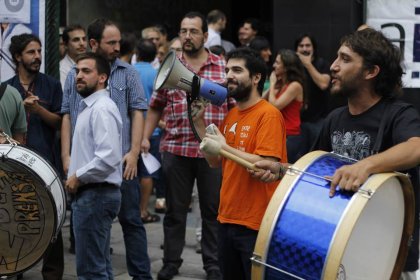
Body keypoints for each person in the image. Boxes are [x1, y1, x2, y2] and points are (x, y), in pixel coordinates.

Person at [252, 28, 420, 279]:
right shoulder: (335, 118)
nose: (333, 66)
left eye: (345, 59)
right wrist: (280, 170)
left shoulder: (398, 114)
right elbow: (312, 172)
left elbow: (416, 147)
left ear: (371, 72)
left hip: (387, 252)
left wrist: (365, 166)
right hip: (338, 243)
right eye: (336, 58)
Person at [141, 11, 234, 280]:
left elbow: (233, 107)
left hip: (213, 153)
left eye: (193, 31)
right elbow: (156, 106)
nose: (187, 36)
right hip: (176, 148)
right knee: (174, 211)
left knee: (212, 211)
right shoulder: (172, 66)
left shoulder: (221, 66)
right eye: (183, 31)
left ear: (205, 36)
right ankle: (171, 262)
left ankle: (213, 264)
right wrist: (146, 137)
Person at [61, 18, 152, 279]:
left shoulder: (127, 76)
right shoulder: (78, 81)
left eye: (118, 42)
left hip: (113, 169)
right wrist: (68, 157)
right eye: (110, 42)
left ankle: (142, 275)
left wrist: (133, 153)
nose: (117, 47)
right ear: (94, 43)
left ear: (101, 78)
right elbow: (67, 113)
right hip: (90, 171)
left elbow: (137, 113)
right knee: (97, 258)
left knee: (130, 224)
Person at [193, 47, 287, 280]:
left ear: (256, 78)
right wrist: (198, 122)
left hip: (255, 223)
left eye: (237, 70)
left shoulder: (269, 114)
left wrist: (223, 146)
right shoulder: (231, 114)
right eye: (226, 70)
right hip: (226, 218)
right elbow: (215, 161)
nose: (228, 76)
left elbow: (266, 163)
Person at [6, 33, 64, 280]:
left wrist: (38, 109)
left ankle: (52, 274)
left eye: (39, 51)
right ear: (18, 56)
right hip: (14, 165)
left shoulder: (51, 85)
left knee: (52, 219)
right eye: (31, 52)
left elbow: (60, 122)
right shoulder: (7, 88)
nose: (37, 56)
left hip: (45, 162)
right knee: (14, 215)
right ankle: (15, 267)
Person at [66, 51, 122, 279]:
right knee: (100, 268)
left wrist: (78, 175)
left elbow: (108, 156)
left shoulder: (101, 108)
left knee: (92, 272)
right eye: (77, 71)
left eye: (86, 71)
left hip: (95, 195)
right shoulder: (90, 106)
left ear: (102, 78)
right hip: (94, 195)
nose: (79, 75)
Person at [133, 38, 161, 223]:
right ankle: (142, 211)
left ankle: (130, 210)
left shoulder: (129, 71)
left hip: (131, 131)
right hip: (153, 132)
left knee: (131, 171)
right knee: (147, 173)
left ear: (138, 53)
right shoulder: (157, 74)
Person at [264, 49, 305, 163]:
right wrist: (274, 86)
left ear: (286, 67)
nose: (273, 65)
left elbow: (274, 106)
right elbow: (261, 101)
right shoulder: (281, 84)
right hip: (279, 134)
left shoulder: (295, 86)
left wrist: (272, 83)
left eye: (277, 63)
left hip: (290, 136)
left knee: (282, 172)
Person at [294, 33, 331, 157]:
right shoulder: (294, 66)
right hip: (297, 122)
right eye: (301, 46)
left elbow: (323, 84)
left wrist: (308, 64)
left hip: (317, 120)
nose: (304, 49)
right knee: (297, 158)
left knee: (316, 156)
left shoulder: (322, 64)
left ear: (313, 48)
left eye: (308, 45)